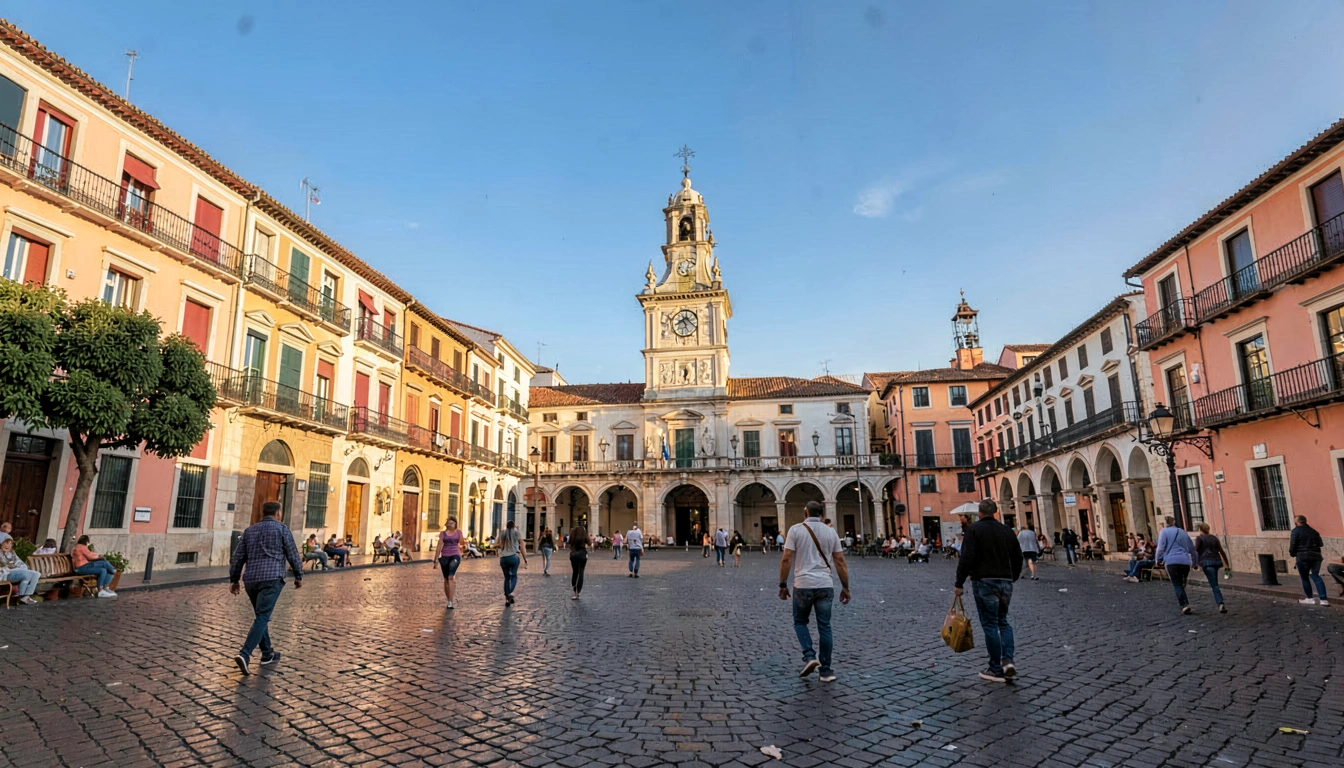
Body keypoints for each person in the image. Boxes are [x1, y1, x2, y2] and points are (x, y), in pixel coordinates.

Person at [778, 500, 849, 683]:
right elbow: (840, 561)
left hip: (803, 584)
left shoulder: (795, 530)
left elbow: (786, 559)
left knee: (800, 621)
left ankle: (810, 656)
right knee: (824, 626)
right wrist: (845, 587)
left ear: (805, 511)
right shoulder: (830, 531)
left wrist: (783, 584)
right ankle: (826, 671)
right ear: (822, 514)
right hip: (825, 584)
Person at [228, 501, 303, 675]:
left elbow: (238, 557)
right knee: (262, 617)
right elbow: (292, 553)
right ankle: (245, 654)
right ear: (278, 513)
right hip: (271, 578)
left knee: (261, 616)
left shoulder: (250, 531)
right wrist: (299, 575)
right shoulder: (282, 529)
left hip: (251, 580)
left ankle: (267, 653)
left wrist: (234, 579)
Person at [954, 499, 1023, 683]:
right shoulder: (1007, 531)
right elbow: (1018, 557)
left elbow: (966, 558)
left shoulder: (974, 530)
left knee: (990, 624)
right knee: (1003, 622)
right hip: (1006, 581)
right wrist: (1012, 577)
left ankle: (995, 669)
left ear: (980, 512)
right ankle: (1008, 660)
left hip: (984, 581)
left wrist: (959, 583)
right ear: (995, 512)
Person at [1154, 516, 1198, 614]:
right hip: (1185, 561)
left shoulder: (1164, 532)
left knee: (1177, 584)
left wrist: (1157, 560)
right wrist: (1195, 563)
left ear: (1165, 523)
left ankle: (1184, 605)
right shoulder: (1182, 532)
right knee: (1182, 583)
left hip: (1171, 561)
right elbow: (1192, 549)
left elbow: (1160, 548)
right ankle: (1183, 599)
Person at [1289, 515, 1329, 606]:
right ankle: (1324, 599)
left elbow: (1293, 545)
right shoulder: (1314, 531)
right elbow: (1320, 544)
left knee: (1305, 578)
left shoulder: (1296, 531)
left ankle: (1310, 598)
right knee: (1316, 576)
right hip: (1316, 557)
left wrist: (1292, 553)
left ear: (1296, 522)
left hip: (1302, 556)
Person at [1193, 522, 1230, 614]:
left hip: (1206, 562)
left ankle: (1220, 603)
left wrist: (1196, 564)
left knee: (1214, 584)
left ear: (1200, 529)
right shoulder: (1214, 538)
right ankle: (1220, 602)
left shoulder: (1199, 538)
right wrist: (1227, 564)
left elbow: (1195, 551)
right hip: (1216, 562)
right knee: (1214, 582)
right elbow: (1222, 551)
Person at [0, 536, 41, 605]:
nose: (8, 546)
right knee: (27, 575)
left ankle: (26, 596)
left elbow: (21, 563)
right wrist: (16, 567)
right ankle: (22, 597)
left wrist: (20, 568)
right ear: (1, 543)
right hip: (5, 574)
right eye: (6, 543)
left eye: (10, 544)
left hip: (16, 571)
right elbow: (6, 566)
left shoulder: (12, 553)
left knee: (36, 574)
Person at [496, 520, 527, 605]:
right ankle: (509, 593)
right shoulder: (517, 533)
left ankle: (507, 598)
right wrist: (525, 559)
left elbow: (498, 544)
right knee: (513, 576)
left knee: (506, 578)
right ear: (514, 526)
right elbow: (522, 547)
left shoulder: (502, 533)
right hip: (513, 557)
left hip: (503, 558)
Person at [439, 517, 464, 608]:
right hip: (445, 556)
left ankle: (450, 601)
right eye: (449, 523)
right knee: (446, 579)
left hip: (455, 555)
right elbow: (439, 545)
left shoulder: (458, 532)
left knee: (450, 577)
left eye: (452, 523)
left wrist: (460, 535)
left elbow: (462, 543)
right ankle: (449, 599)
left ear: (455, 524)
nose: (450, 524)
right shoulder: (443, 534)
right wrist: (435, 560)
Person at [570, 525, 591, 599]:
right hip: (582, 553)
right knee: (581, 572)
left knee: (575, 572)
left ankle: (574, 589)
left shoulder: (573, 534)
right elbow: (589, 543)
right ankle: (577, 592)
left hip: (574, 553)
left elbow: (570, 543)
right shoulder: (584, 534)